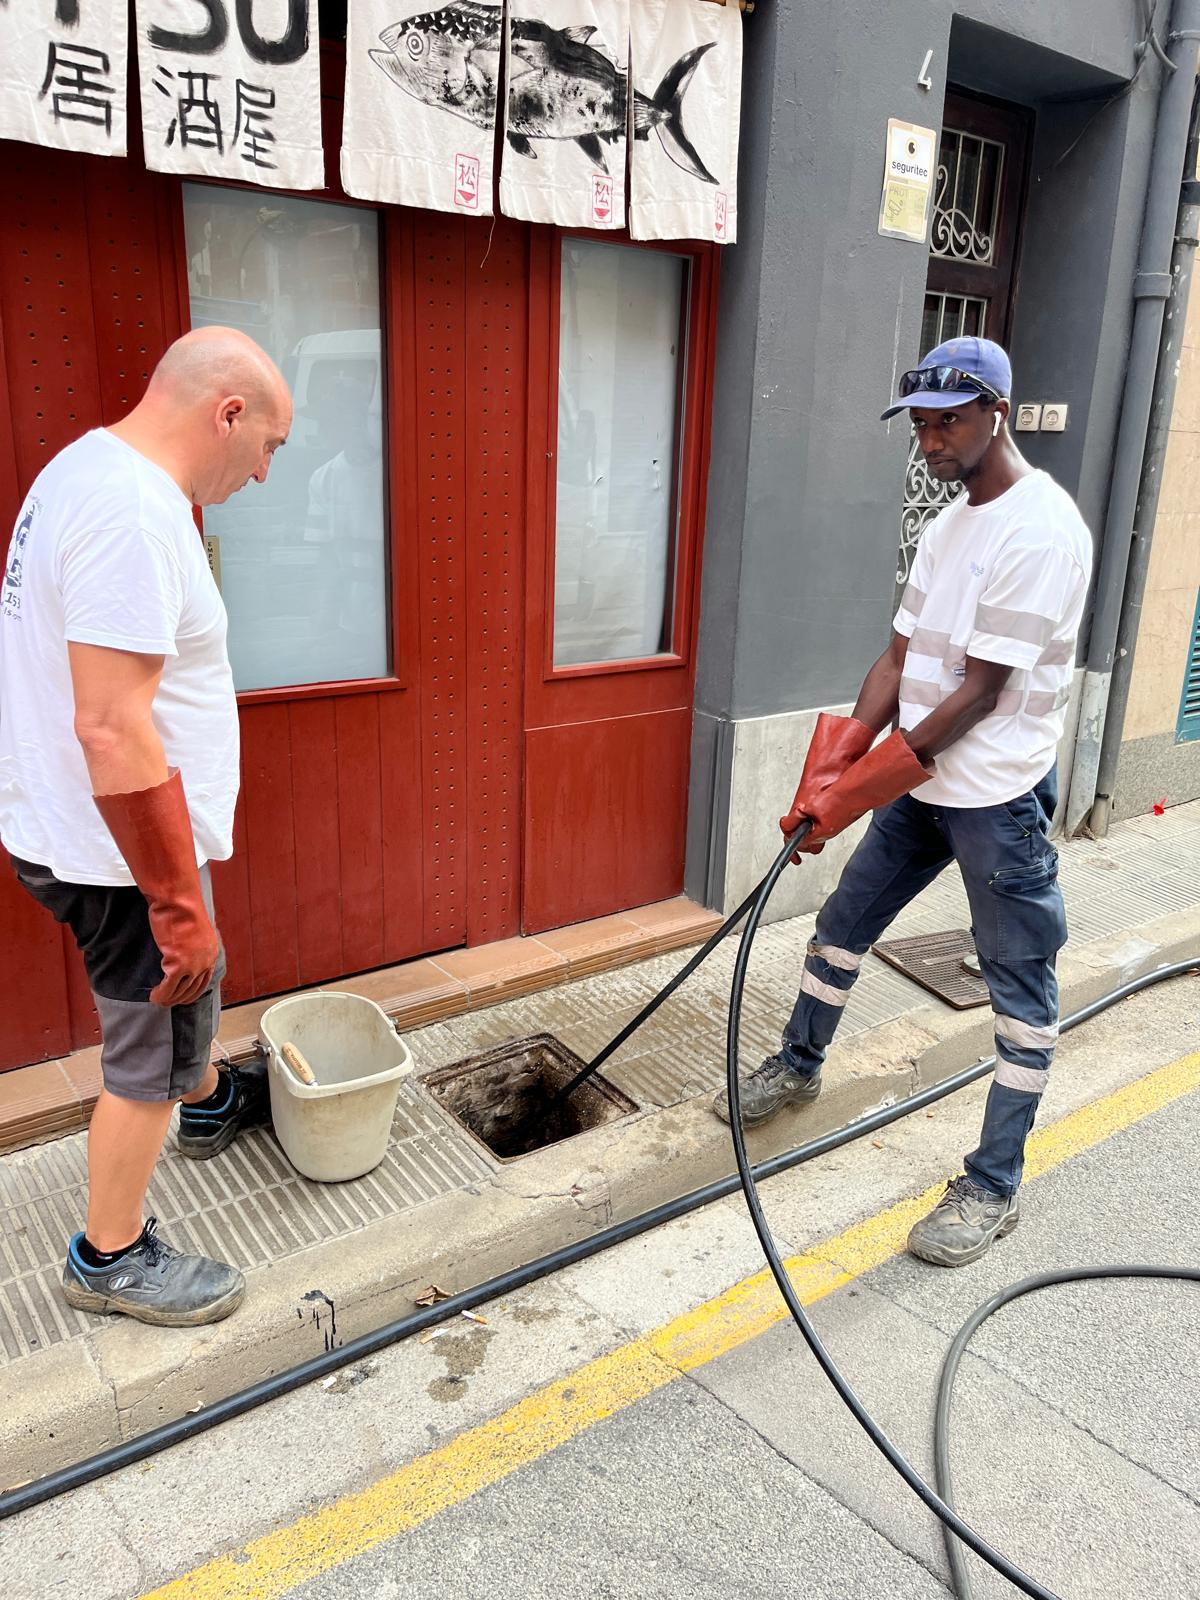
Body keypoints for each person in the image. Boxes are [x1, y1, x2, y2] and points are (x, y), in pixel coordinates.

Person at [714, 336, 1093, 1268]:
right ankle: (798, 1066)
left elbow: (980, 692)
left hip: (993, 800)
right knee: (840, 925)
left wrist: (856, 791)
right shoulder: (947, 524)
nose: (928, 441)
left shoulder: (1040, 531)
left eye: (945, 422)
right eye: (919, 425)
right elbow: (900, 660)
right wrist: (834, 759)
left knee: (1019, 991)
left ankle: (995, 1184)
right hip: (924, 786)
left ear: (995, 414)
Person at [0, 327, 293, 1325]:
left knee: (180, 1022)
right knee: (147, 1053)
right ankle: (108, 1255)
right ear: (228, 413)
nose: (263, 473)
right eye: (270, 446)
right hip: (118, 853)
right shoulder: (130, 512)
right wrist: (175, 905)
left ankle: (206, 1096)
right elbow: (113, 724)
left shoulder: (88, 468)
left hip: (85, 829)